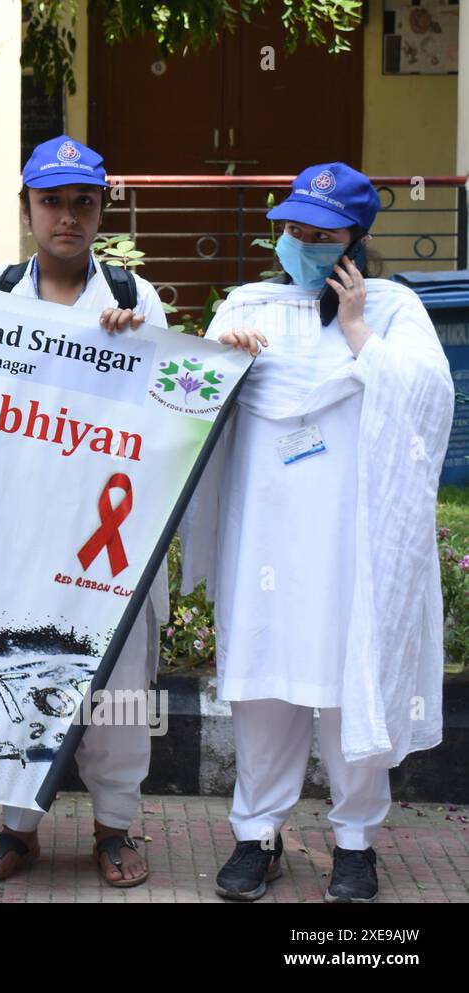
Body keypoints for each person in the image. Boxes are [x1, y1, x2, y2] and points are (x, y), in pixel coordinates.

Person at [183, 162, 454, 903]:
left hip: (351, 544)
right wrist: (223, 366)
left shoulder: (395, 309)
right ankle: (257, 834)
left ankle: (355, 842)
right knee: (263, 687)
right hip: (263, 537)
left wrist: (359, 330)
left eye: (321, 233)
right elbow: (189, 411)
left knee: (348, 682)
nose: (302, 242)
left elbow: (431, 400)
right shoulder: (247, 304)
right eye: (293, 229)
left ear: (356, 239)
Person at [0, 135, 168, 887]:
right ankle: (18, 829)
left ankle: (115, 829)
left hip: (106, 536)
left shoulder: (129, 296)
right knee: (17, 674)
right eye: (51, 201)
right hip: (18, 531)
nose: (67, 217)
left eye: (83, 202)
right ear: (27, 210)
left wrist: (136, 343)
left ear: (101, 210)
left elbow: (165, 401)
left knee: (116, 691)